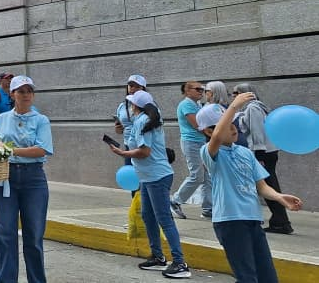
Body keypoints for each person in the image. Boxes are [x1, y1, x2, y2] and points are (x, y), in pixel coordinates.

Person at [196, 96, 302, 282]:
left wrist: (279, 197)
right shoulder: (209, 153)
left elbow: (262, 186)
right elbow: (217, 137)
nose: (233, 128)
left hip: (253, 219)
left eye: (234, 124)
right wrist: (234, 106)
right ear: (208, 131)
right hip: (230, 222)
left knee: (268, 277)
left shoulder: (245, 153)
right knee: (247, 277)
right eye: (227, 125)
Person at [109, 90, 189, 278]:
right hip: (147, 176)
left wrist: (122, 153)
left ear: (135, 106)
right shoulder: (144, 120)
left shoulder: (143, 121)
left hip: (156, 176)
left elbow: (144, 152)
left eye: (131, 104)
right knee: (148, 215)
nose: (129, 107)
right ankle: (158, 257)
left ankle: (180, 263)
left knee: (164, 219)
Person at [0, 76, 52, 283]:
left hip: (33, 179)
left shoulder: (41, 120)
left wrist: (10, 150)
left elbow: (42, 149)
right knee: (3, 233)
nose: (26, 95)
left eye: (29, 91)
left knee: (33, 236)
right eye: (21, 91)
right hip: (4, 178)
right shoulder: (1, 119)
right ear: (12, 94)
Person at [230, 83, 294, 235]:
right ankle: (279, 220)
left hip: (263, 152)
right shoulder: (256, 107)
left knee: (268, 186)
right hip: (267, 151)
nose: (233, 96)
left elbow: (256, 131)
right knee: (269, 185)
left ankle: (281, 222)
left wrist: (258, 154)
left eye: (235, 93)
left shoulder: (252, 108)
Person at [170, 81, 210, 220]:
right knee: (197, 176)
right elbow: (197, 125)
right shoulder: (186, 104)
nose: (201, 92)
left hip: (200, 142)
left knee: (207, 176)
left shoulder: (197, 104)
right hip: (191, 142)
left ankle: (208, 208)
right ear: (187, 91)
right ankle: (175, 201)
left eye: (202, 89)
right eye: (198, 89)